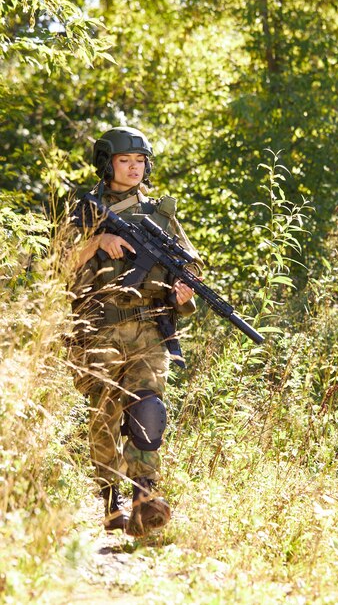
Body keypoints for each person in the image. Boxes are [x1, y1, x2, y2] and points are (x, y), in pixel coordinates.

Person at [69, 126, 203, 536]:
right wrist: (98, 241)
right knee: (105, 418)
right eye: (125, 161)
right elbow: (55, 264)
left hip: (149, 330)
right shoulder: (84, 211)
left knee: (149, 412)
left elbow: (190, 264)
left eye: (139, 161)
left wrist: (184, 292)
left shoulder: (160, 215)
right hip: (97, 331)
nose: (133, 168)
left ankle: (144, 500)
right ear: (107, 163)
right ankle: (111, 503)